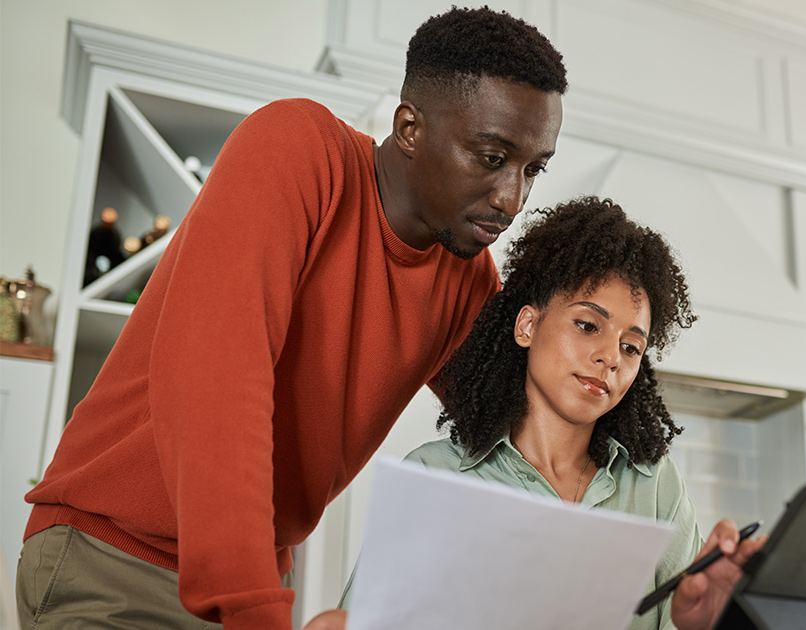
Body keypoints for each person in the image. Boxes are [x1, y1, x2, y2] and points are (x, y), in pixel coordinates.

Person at [17, 7, 566, 630]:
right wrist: (257, 610)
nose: (512, 198)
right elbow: (217, 379)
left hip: (258, 577)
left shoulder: (469, 278)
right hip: (113, 558)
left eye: (532, 170)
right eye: (491, 157)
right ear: (410, 128)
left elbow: (531, 437)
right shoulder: (298, 148)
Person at [339, 197, 767, 630]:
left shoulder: (655, 488)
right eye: (587, 325)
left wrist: (711, 623)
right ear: (527, 326)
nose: (610, 357)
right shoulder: (436, 476)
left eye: (631, 346)